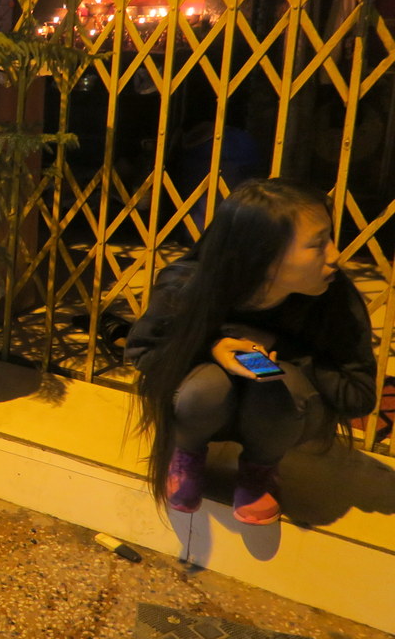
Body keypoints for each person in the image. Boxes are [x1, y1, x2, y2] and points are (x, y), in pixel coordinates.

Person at [125, 178, 377, 525]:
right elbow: (142, 354)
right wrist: (212, 346)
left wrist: (283, 349)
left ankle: (259, 470)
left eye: (331, 239)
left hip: (284, 420)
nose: (335, 256)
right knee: (206, 385)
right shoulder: (187, 287)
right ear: (263, 256)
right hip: (206, 412)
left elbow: (359, 397)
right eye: (318, 245)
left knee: (280, 383)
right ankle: (187, 454)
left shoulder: (334, 299)